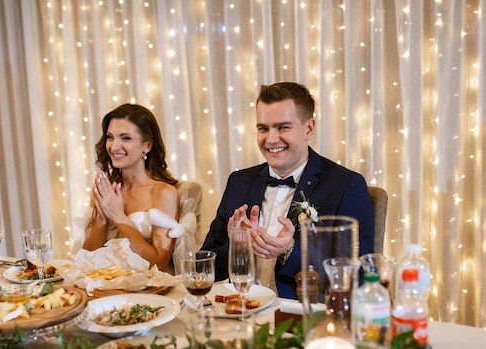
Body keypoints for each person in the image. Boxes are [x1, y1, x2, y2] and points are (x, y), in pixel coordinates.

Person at [201, 82, 374, 299]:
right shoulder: (239, 182)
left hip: (301, 316)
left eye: (283, 127)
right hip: (239, 310)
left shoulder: (346, 185)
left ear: (309, 128)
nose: (271, 139)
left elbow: (359, 275)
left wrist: (290, 250)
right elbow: (206, 266)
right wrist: (236, 246)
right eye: (263, 128)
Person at [83, 103, 180, 272]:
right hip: (107, 286)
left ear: (147, 145)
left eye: (125, 138)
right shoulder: (107, 190)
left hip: (148, 292)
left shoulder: (163, 193)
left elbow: (158, 265)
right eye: (110, 137)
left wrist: (118, 216)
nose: (114, 146)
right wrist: (102, 217)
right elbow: (87, 258)